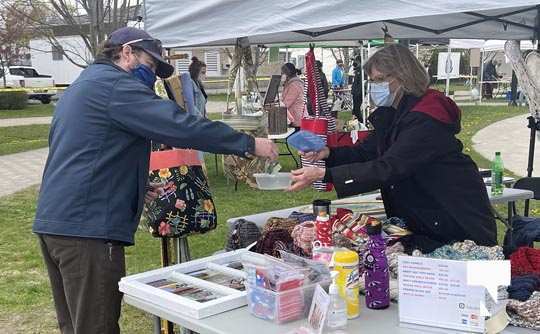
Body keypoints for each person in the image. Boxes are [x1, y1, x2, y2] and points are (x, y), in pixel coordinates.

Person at [33, 27, 278, 334]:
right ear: (126, 53)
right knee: (96, 326)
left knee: (76, 325)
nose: (151, 77)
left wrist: (132, 182)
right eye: (149, 66)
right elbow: (180, 126)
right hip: (87, 229)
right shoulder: (115, 87)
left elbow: (88, 150)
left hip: (56, 222)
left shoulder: (87, 83)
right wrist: (248, 144)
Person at [288, 44, 496, 253]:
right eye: (372, 81)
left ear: (403, 77)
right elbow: (366, 152)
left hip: (453, 218)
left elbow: (389, 167)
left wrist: (326, 174)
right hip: (426, 219)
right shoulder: (394, 114)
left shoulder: (425, 118)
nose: (374, 86)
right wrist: (329, 154)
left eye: (380, 80)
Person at [281, 62, 304, 127]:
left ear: (287, 73)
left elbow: (286, 104)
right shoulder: (293, 83)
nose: (281, 75)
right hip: (297, 117)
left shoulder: (294, 85)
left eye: (282, 73)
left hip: (297, 119)